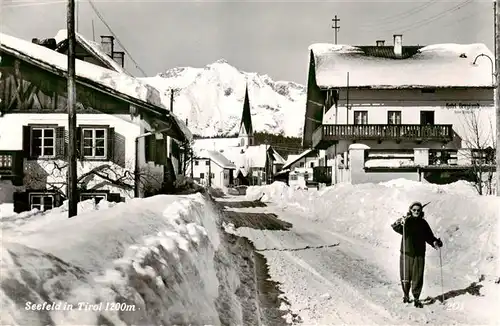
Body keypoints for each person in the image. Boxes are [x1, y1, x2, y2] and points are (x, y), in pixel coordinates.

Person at [391, 201, 443, 308]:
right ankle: (406, 295)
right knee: (406, 275)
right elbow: (395, 227)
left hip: (419, 254)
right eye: (414, 210)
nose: (416, 212)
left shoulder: (423, 223)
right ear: (410, 210)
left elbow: (429, 236)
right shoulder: (406, 221)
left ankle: (416, 298)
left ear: (421, 211)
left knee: (417, 277)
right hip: (406, 253)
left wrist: (435, 242)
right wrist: (401, 221)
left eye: (418, 210)